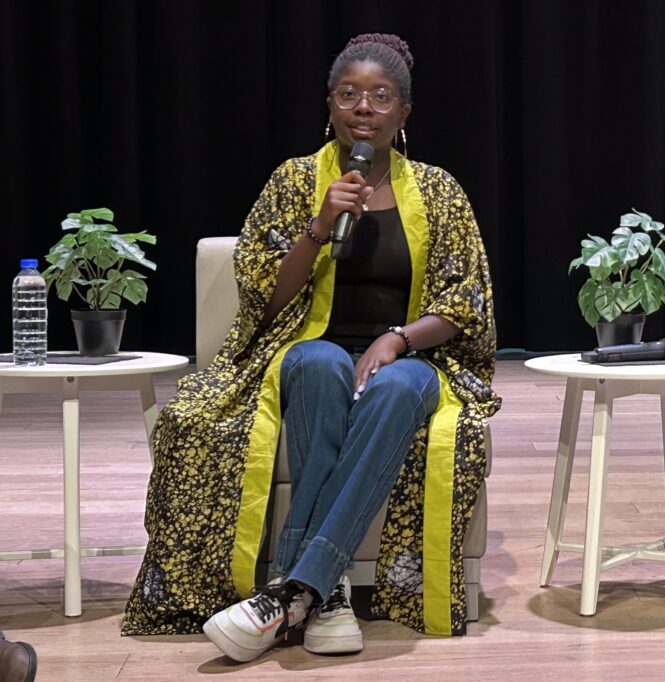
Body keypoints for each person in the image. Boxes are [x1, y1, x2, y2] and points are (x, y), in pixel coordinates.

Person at [122, 33, 499, 662]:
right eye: (349, 94)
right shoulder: (295, 180)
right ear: (330, 108)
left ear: (404, 114)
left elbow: (466, 300)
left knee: (398, 383)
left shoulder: (438, 190)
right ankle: (323, 593)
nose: (364, 108)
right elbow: (263, 293)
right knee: (321, 364)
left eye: (381, 97)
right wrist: (320, 227)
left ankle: (295, 591)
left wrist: (395, 339)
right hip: (303, 347)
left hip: (413, 356)